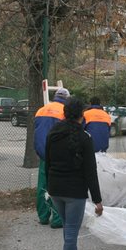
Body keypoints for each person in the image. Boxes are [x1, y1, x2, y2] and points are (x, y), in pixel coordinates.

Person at [45, 97, 103, 250]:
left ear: (64, 113)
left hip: (55, 189)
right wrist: (98, 200)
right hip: (74, 192)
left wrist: (49, 185)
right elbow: (90, 171)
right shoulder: (84, 137)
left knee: (67, 229)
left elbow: (48, 162)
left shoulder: (52, 133)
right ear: (82, 115)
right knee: (71, 232)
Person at [34, 88, 71, 228]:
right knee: (58, 187)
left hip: (43, 155)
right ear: (66, 98)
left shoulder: (41, 110)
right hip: (58, 156)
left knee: (43, 186)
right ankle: (57, 219)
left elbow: (37, 134)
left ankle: (43, 217)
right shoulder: (66, 112)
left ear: (55, 96)